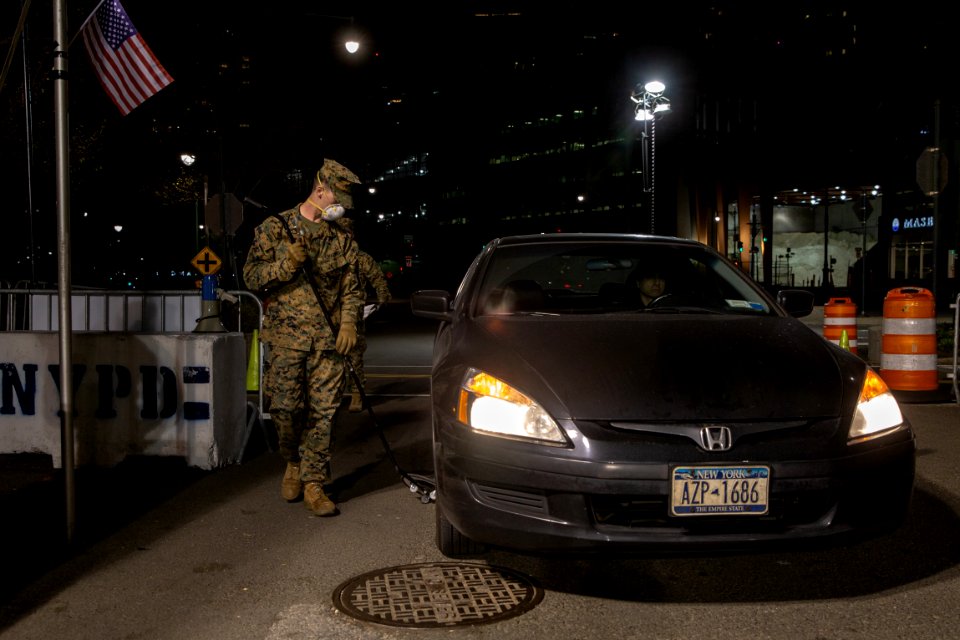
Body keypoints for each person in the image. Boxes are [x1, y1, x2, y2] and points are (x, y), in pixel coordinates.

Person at [242, 159, 364, 517]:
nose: (338, 205)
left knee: (324, 413)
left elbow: (351, 286)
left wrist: (349, 323)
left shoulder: (342, 235)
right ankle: (292, 460)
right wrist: (286, 264)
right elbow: (251, 277)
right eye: (336, 197)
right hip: (285, 340)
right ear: (320, 188)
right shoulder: (275, 228)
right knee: (286, 411)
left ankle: (314, 483)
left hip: (328, 342)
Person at [336, 217, 392, 412]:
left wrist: (383, 295)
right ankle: (332, 395)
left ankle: (357, 395)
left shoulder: (361, 258)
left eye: (344, 233)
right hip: (330, 314)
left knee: (354, 356)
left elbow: (376, 276)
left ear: (351, 235)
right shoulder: (329, 257)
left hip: (354, 313)